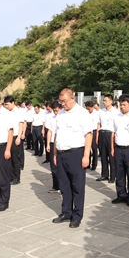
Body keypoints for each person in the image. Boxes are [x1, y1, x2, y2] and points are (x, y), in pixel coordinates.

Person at [51, 88, 92, 227]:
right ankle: (66, 212)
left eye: (65, 101)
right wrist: (55, 154)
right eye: (60, 102)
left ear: (72, 98)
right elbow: (56, 134)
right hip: (61, 153)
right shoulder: (60, 114)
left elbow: (88, 135)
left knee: (77, 186)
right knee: (64, 186)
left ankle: (77, 215)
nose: (63, 104)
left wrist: (86, 155)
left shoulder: (82, 113)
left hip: (76, 153)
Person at [3, 96, 25, 185]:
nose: (6, 106)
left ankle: (17, 177)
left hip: (15, 137)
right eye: (5, 105)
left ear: (12, 103)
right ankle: (11, 176)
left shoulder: (18, 112)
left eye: (7, 104)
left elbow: (21, 126)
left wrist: (19, 137)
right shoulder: (6, 113)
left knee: (15, 158)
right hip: (8, 137)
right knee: (9, 158)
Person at [97, 94, 117, 183]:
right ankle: (104, 174)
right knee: (103, 155)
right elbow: (99, 124)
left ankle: (113, 176)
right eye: (103, 100)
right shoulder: (101, 111)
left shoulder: (116, 112)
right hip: (102, 133)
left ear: (111, 101)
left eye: (106, 100)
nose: (104, 102)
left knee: (111, 156)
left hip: (110, 134)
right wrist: (97, 136)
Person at [45, 101, 62, 193]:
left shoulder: (64, 117)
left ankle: (63, 186)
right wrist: (48, 144)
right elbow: (49, 132)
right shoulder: (51, 118)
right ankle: (56, 186)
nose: (55, 113)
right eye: (54, 111)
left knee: (62, 166)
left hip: (61, 144)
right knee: (53, 166)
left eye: (57, 110)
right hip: (52, 144)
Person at [85, 101, 99, 171]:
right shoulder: (85, 113)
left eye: (89, 108)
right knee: (87, 148)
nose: (88, 110)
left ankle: (94, 164)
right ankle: (88, 163)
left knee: (94, 148)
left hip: (94, 131)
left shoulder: (97, 114)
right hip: (87, 131)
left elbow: (98, 124)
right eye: (87, 108)